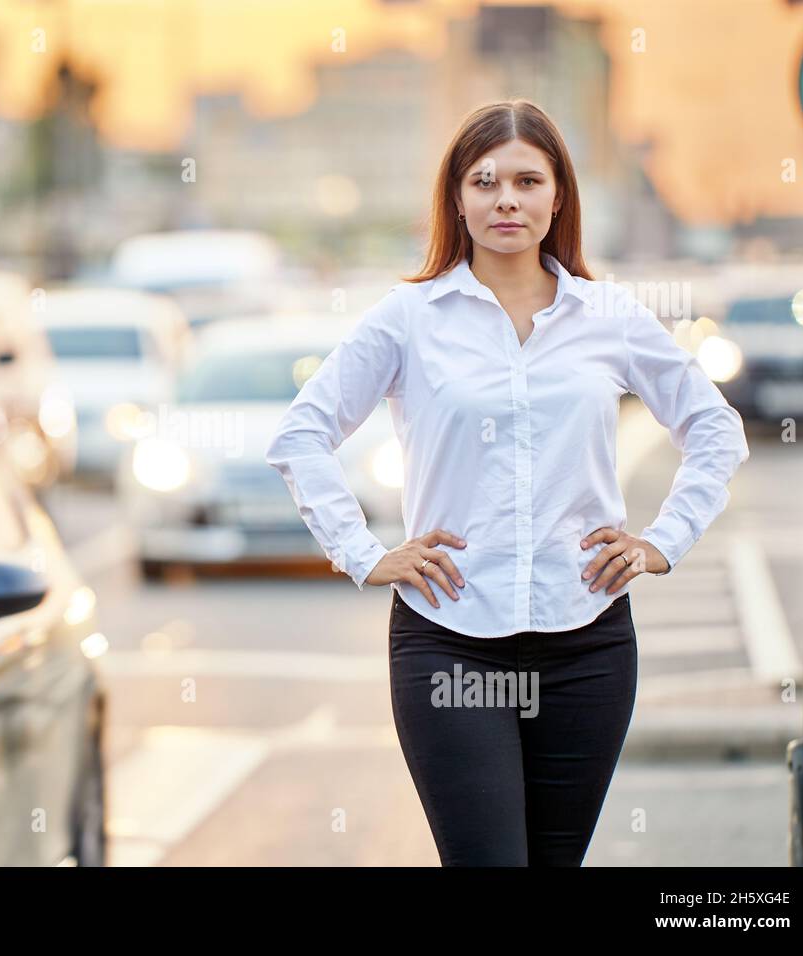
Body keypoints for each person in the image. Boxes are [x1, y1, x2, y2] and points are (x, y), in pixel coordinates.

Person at [264, 99, 750, 866]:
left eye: (528, 180)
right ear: (457, 197)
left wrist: (663, 541)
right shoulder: (410, 318)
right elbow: (301, 434)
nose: (507, 200)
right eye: (484, 181)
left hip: (587, 646)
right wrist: (363, 553)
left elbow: (716, 428)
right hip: (452, 646)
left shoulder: (608, 317)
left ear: (559, 197)